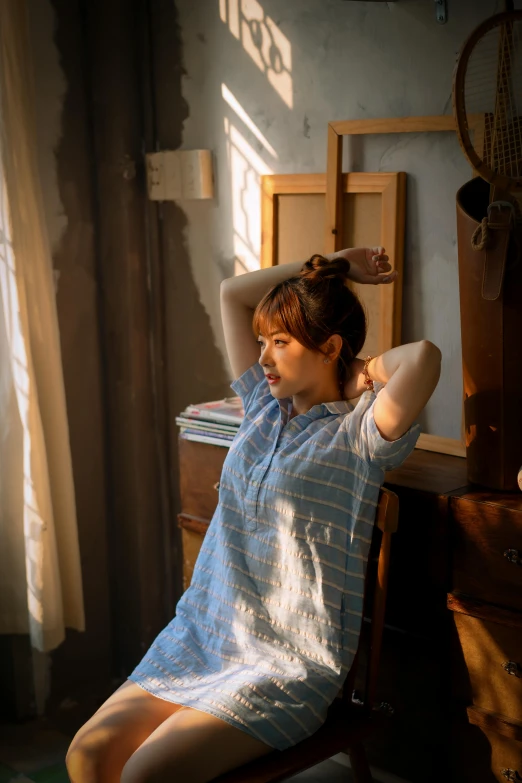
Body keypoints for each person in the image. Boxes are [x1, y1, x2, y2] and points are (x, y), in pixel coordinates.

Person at [66, 246, 442, 783]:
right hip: (203, 634)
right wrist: (328, 264)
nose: (264, 357)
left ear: (330, 346)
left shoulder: (359, 435)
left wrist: (359, 371)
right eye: (263, 342)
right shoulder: (264, 408)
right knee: (87, 756)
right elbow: (232, 294)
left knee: (142, 776)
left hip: (286, 664)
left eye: (281, 343)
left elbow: (423, 357)